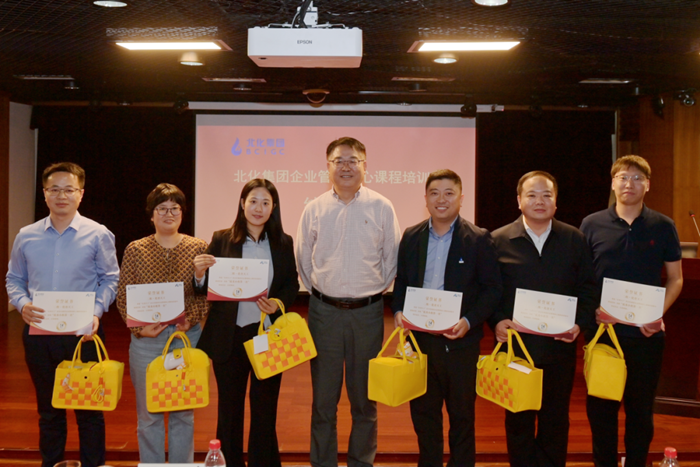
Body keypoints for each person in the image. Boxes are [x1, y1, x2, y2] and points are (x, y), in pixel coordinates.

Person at [5, 162, 119, 467]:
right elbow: (14, 279)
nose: (61, 196)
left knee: (89, 412)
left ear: (81, 194)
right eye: (54, 189)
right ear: (44, 193)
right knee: (49, 411)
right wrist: (22, 303)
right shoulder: (26, 236)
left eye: (69, 189)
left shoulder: (98, 234)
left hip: (84, 334)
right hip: (39, 334)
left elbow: (110, 279)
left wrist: (96, 312)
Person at [296, 137, 401, 467]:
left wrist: (371, 292)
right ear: (327, 167)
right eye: (338, 161)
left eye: (352, 160)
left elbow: (392, 260)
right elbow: (303, 260)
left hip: (367, 314)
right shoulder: (314, 208)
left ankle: (361, 462)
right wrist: (323, 292)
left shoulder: (382, 206)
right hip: (324, 313)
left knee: (365, 400)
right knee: (323, 402)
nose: (345, 166)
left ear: (365, 166)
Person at [392, 169, 502, 467]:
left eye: (449, 193)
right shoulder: (411, 236)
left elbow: (492, 289)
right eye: (434, 193)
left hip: (460, 344)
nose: (441, 199)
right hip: (420, 342)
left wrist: (469, 321)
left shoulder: (478, 239)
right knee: (424, 415)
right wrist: (399, 311)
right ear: (425, 198)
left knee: (462, 416)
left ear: (461, 198)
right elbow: (402, 282)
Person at [580, 155, 683, 467]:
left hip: (645, 336)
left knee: (640, 412)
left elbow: (676, 279)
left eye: (637, 178)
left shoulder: (663, 226)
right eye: (623, 177)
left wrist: (657, 314)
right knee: (602, 412)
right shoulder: (591, 224)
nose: (629, 183)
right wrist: (593, 310)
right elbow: (581, 278)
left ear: (647, 185)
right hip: (604, 335)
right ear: (613, 183)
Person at [490, 171, 598, 467]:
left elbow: (589, 288)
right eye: (532, 195)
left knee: (555, 419)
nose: (539, 201)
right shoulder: (498, 240)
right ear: (519, 201)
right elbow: (490, 290)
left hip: (559, 348)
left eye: (546, 195)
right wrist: (497, 320)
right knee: (518, 419)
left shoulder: (574, 239)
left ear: (556, 201)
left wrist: (580, 324)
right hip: (517, 349)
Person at [194, 178, 299, 467]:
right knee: (229, 410)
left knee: (265, 410)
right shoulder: (221, 239)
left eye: (266, 202)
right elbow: (205, 287)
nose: (258, 208)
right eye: (253, 201)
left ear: (273, 207)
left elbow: (291, 284)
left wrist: (278, 303)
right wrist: (199, 274)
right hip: (229, 337)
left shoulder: (283, 242)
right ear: (242, 204)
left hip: (266, 336)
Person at [116, 183, 209, 463]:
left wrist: (191, 318)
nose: (169, 214)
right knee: (149, 414)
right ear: (151, 214)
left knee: (184, 411)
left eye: (174, 208)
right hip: (147, 341)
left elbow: (206, 294)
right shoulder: (136, 249)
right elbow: (123, 295)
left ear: (182, 213)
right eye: (162, 208)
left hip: (186, 338)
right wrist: (138, 328)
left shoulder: (198, 247)